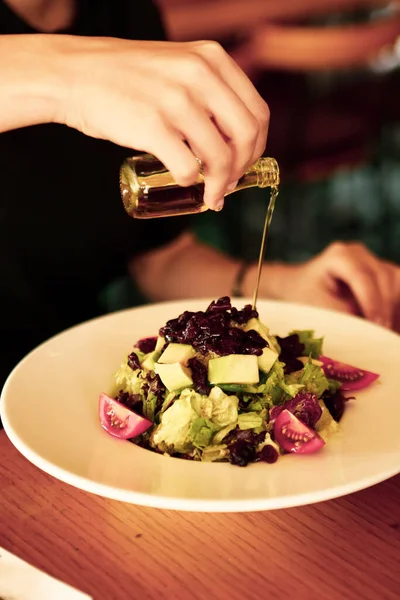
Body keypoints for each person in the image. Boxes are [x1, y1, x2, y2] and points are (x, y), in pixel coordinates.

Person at [0, 0, 399, 394]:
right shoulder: (95, 57)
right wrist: (69, 74)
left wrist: (285, 285)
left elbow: (162, 260)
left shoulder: (125, 14)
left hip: (62, 389)